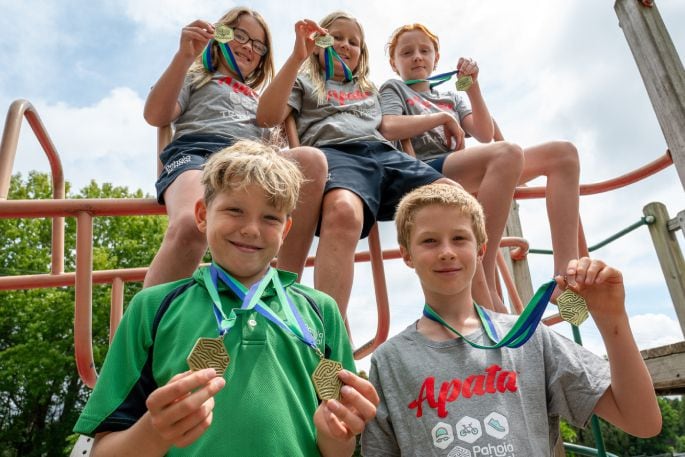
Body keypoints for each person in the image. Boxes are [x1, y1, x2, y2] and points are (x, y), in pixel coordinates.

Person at [73, 141, 379, 456]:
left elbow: (339, 449)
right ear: (203, 215)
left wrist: (337, 434)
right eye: (234, 210)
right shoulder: (151, 307)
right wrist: (154, 430)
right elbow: (103, 450)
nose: (250, 229)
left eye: (270, 218)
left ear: (286, 228)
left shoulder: (322, 310)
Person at [361, 183, 661, 456]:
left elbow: (642, 420)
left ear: (480, 250)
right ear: (407, 255)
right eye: (429, 241)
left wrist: (612, 319)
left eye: (459, 238)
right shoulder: (389, 360)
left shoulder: (530, 337)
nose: (447, 252)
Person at [256, 12, 461, 320]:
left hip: (383, 154)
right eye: (336, 37)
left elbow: (391, 126)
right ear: (318, 44)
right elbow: (268, 116)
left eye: (354, 42)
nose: (345, 45)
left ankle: (460, 315)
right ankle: (327, 333)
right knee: (342, 211)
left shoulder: (368, 88)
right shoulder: (305, 80)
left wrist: (445, 116)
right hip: (336, 154)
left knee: (454, 198)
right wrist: (298, 57)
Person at [381, 23, 581, 305]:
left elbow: (484, 133)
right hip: (427, 170)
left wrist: (473, 87)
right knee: (507, 152)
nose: (417, 57)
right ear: (394, 62)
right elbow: (388, 126)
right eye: (407, 52)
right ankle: (483, 273)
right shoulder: (395, 88)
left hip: (462, 167)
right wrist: (440, 119)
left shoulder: (449, 97)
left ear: (435, 59)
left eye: (424, 51)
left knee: (563, 154)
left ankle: (565, 275)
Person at [143, 6, 326, 287]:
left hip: (249, 162)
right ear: (220, 36)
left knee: (312, 160)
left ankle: (283, 285)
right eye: (239, 36)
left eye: (258, 45)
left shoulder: (260, 99)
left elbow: (270, 121)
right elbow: (156, 115)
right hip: (198, 154)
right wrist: (184, 56)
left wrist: (297, 57)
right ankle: (149, 325)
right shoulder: (196, 76)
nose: (248, 47)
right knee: (192, 223)